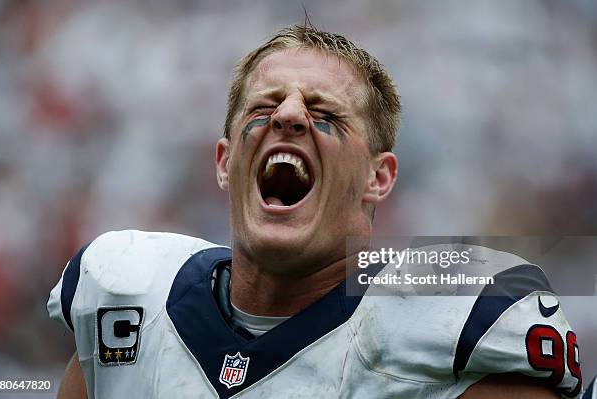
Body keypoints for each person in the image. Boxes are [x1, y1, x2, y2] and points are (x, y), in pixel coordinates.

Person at [48, 25, 583, 398]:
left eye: (325, 112)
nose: (288, 115)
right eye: (263, 106)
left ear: (379, 177)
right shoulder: (125, 293)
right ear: (225, 162)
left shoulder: (458, 317)